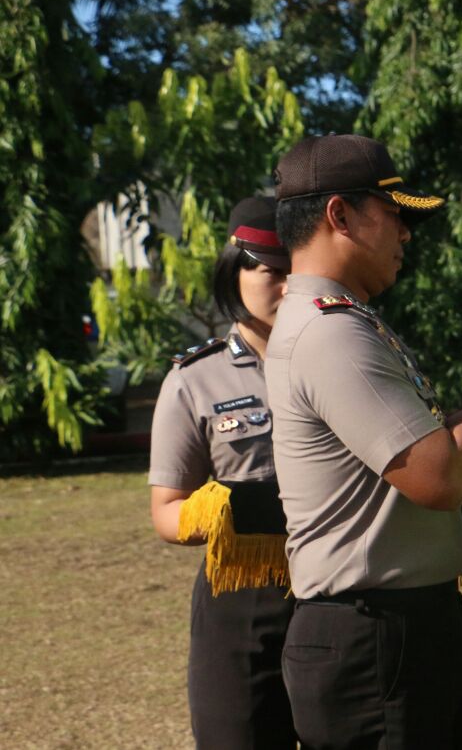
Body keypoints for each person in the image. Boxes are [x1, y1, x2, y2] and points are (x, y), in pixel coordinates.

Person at [264, 134, 462, 749]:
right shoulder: (330, 334)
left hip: (393, 629)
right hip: (374, 637)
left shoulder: (345, 319)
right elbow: (437, 476)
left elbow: (426, 441)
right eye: (395, 215)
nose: (406, 233)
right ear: (340, 215)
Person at [148, 195, 296, 748]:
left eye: (296, 272)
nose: (285, 286)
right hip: (244, 600)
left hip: (334, 591)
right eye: (271, 272)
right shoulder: (194, 380)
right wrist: (234, 508)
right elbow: (166, 512)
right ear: (235, 273)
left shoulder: (341, 359)